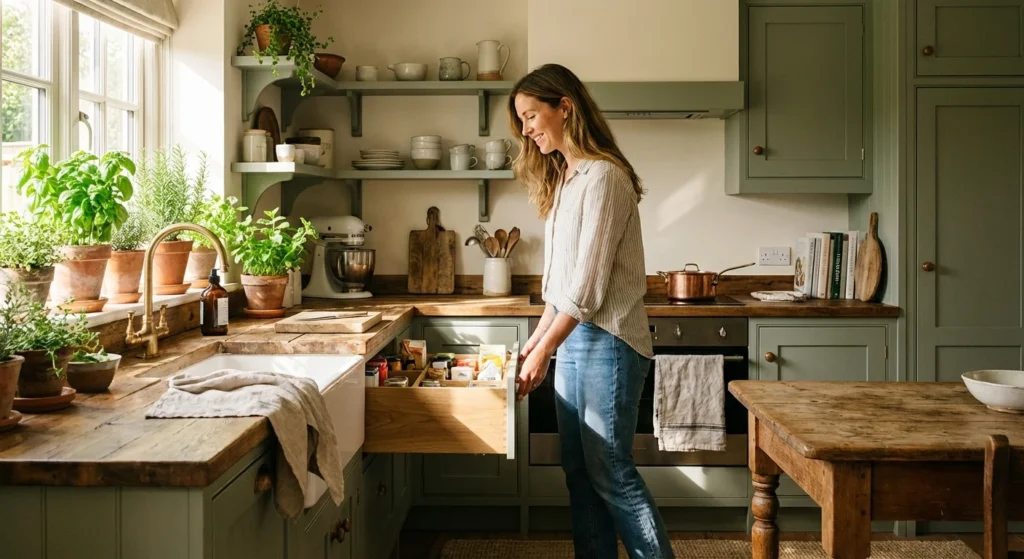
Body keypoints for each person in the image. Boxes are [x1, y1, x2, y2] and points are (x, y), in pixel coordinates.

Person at [508, 64, 674, 559]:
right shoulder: (567, 181)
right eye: (520, 120)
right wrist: (536, 344)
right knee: (580, 473)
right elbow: (559, 287)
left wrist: (545, 350)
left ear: (566, 107)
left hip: (611, 343)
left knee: (610, 471)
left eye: (532, 115)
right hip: (575, 338)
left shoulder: (605, 178)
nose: (526, 129)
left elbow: (588, 288)